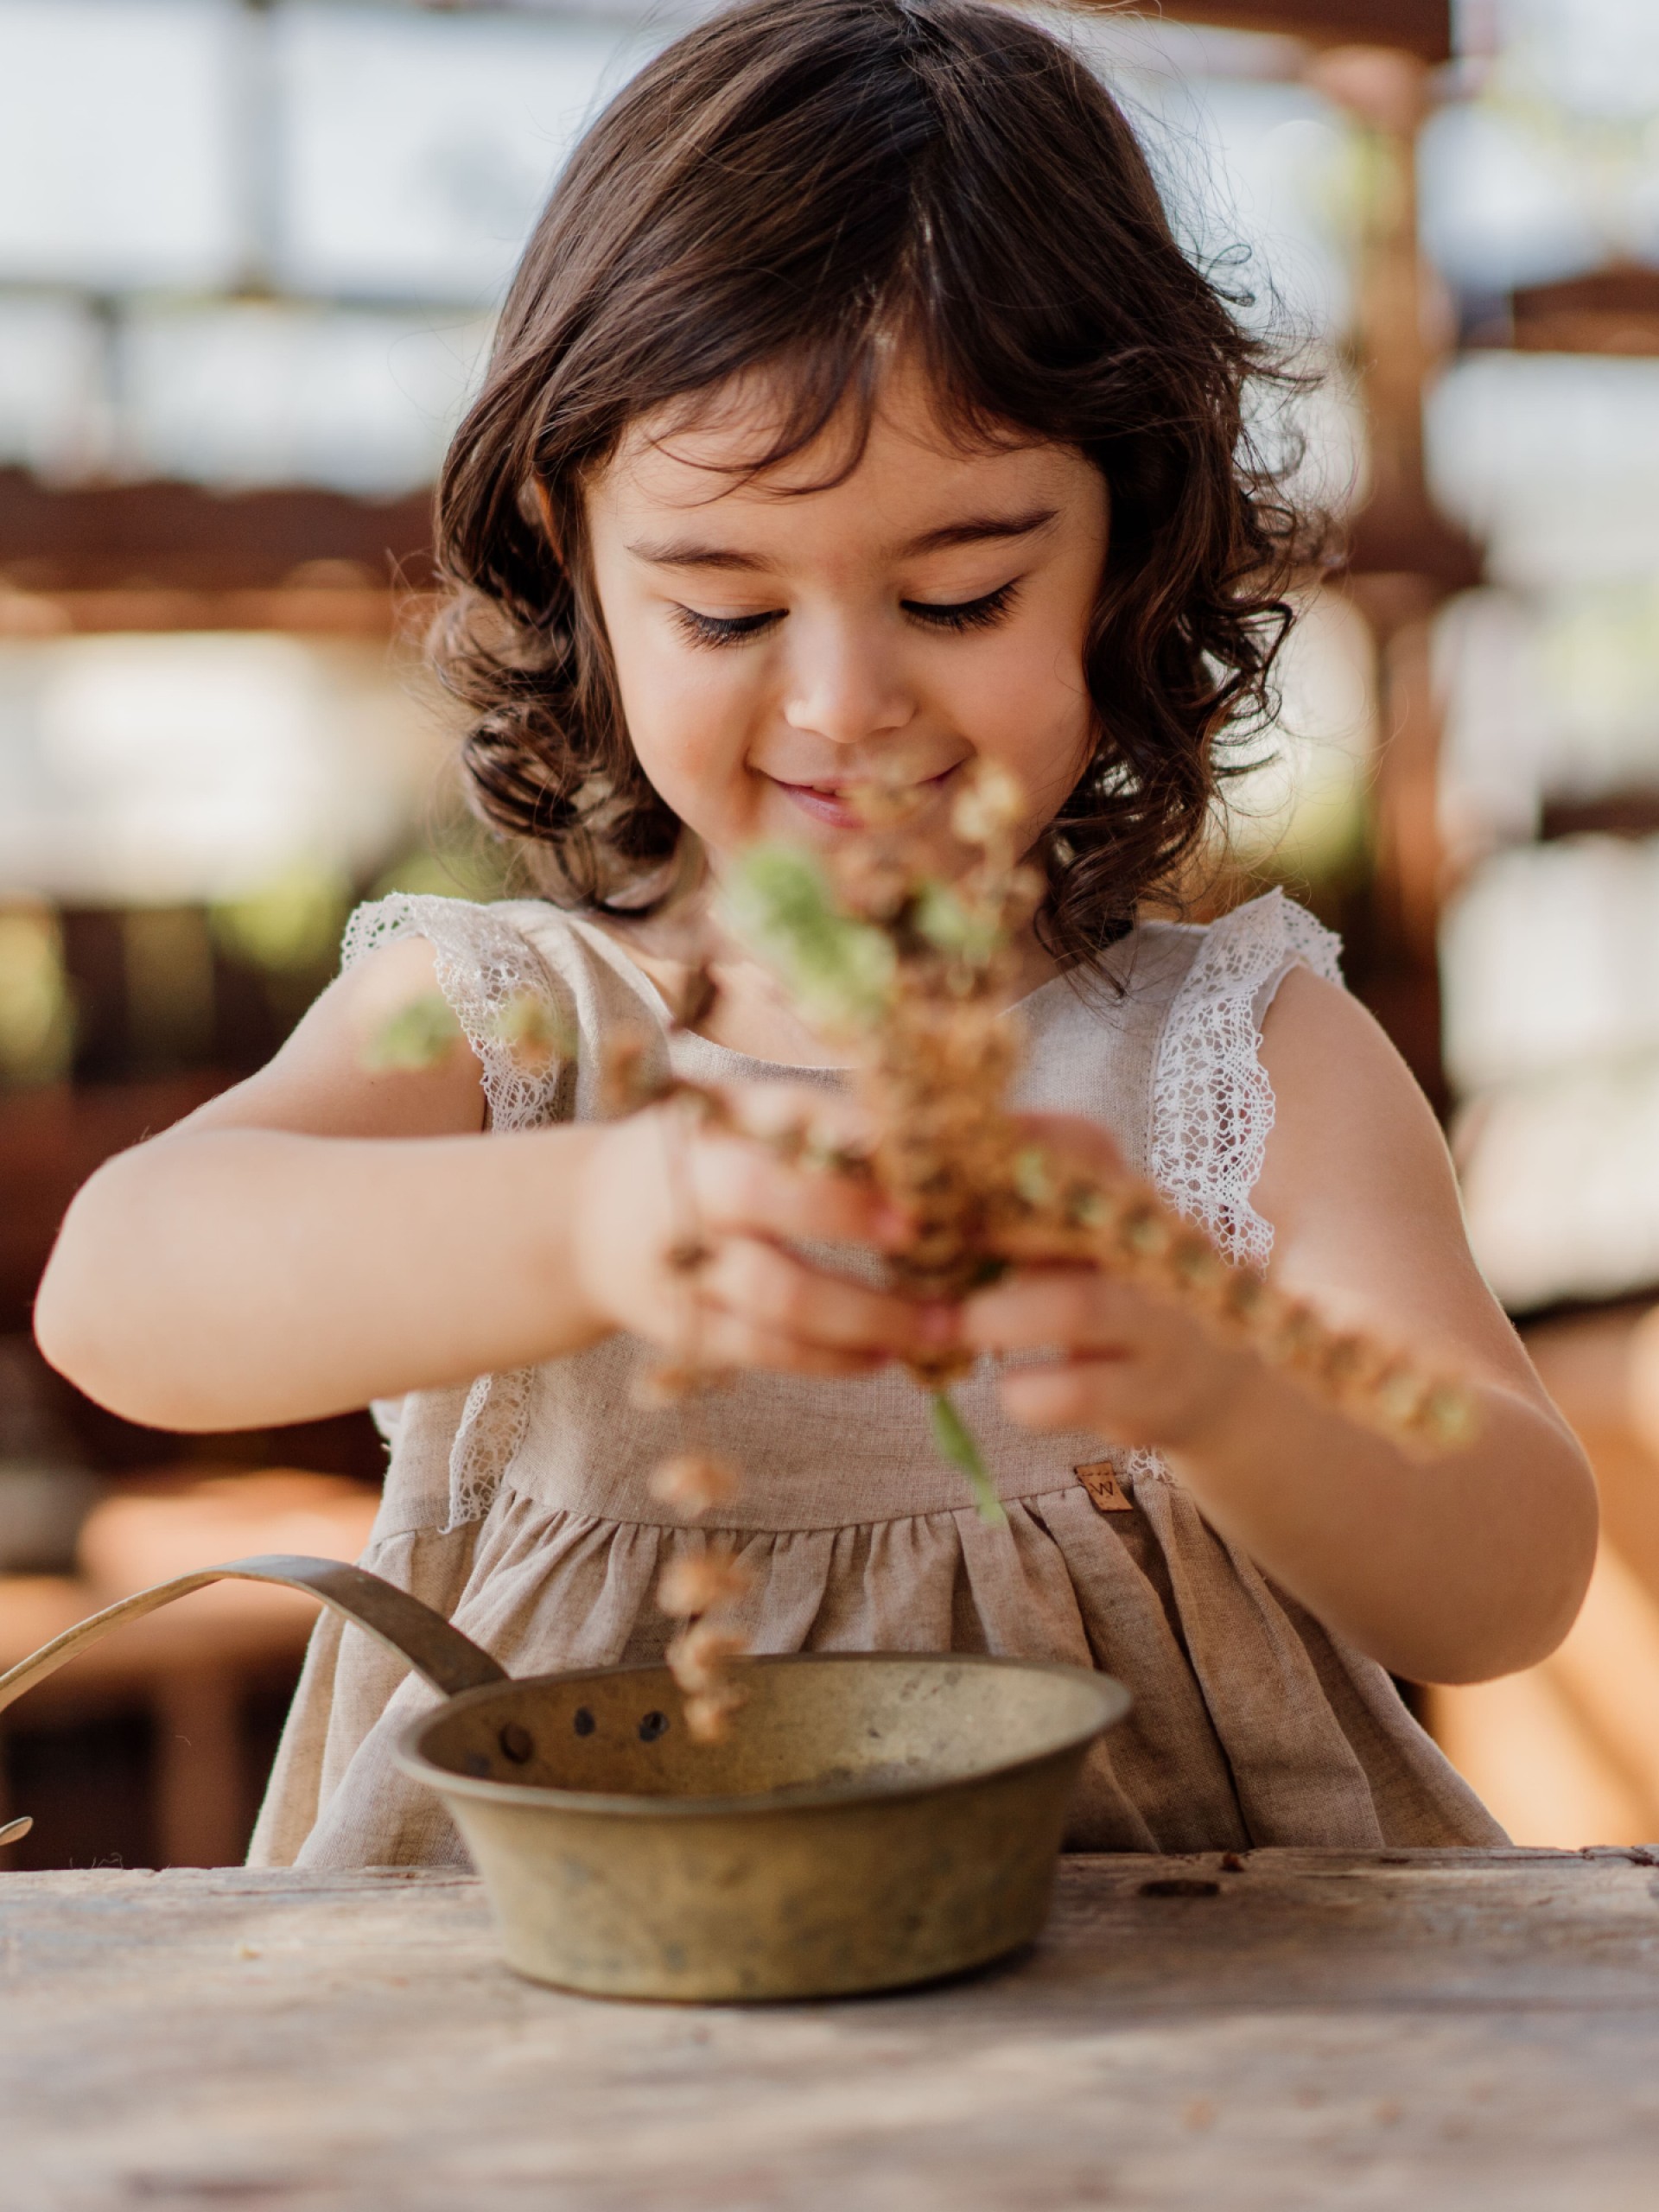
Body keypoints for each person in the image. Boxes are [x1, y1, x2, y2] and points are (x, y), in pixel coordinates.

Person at [35, 0, 1593, 1865]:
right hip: (572, 2005)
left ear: (1130, 551)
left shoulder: (1237, 1053)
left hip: (1180, 2012)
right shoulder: (513, 1025)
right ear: (582, 565)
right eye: (723, 611)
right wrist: (610, 1216)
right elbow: (118, 1290)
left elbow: (1507, 1582)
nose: (847, 700)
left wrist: (1229, 1384)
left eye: (960, 593)